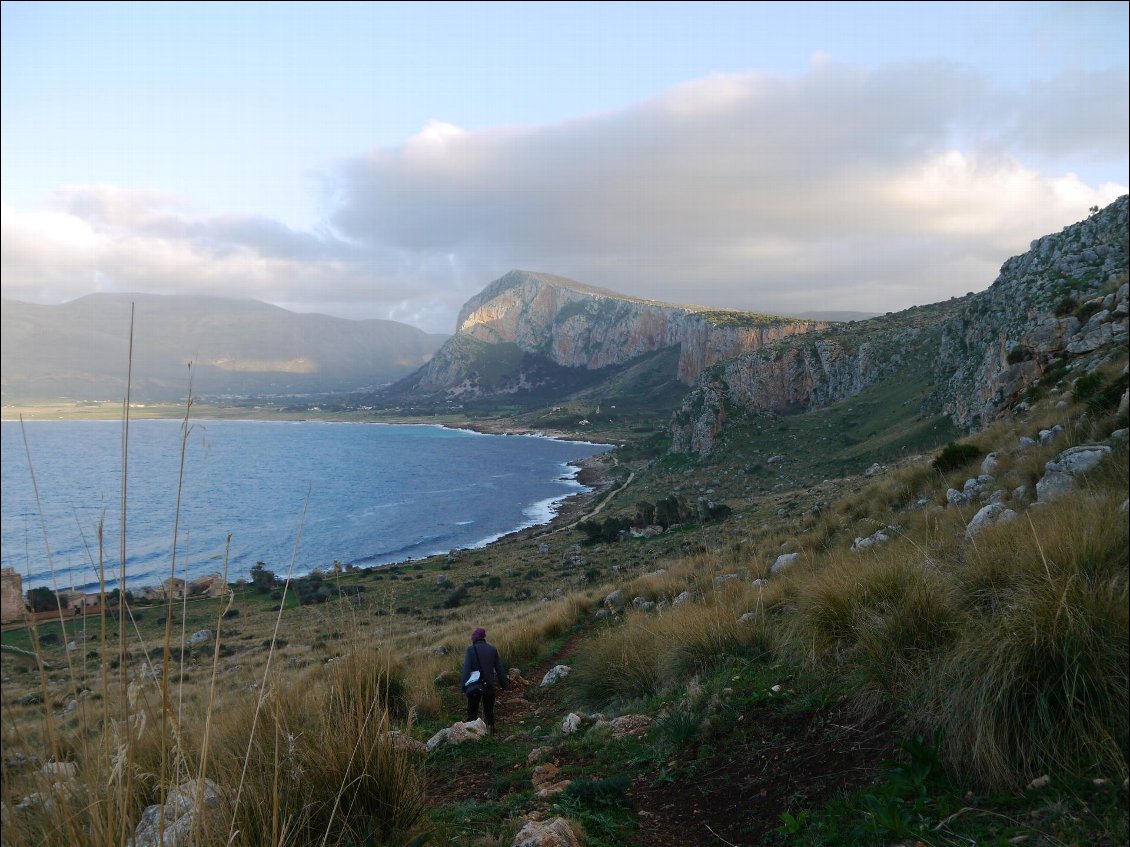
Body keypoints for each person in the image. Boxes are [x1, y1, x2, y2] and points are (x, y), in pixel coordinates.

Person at [462, 626, 509, 732]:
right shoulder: (492, 649)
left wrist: (464, 687)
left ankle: (471, 733)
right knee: (489, 712)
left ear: (475, 638)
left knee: (472, 711)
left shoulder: (470, 650)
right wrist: (505, 686)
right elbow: (499, 669)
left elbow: (466, 670)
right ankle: (491, 730)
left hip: (474, 685)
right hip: (489, 685)